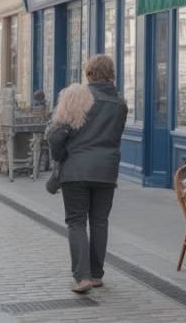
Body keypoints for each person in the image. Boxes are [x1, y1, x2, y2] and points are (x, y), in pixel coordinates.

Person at [47, 55, 128, 294]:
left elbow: (56, 135)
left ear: (89, 73)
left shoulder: (77, 96)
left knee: (76, 222)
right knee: (100, 222)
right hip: (106, 170)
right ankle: (96, 275)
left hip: (76, 169)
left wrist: (60, 156)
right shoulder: (120, 103)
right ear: (111, 73)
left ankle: (82, 277)